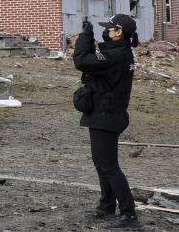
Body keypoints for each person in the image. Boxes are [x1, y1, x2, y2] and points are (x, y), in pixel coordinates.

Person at [73, 13, 141, 229]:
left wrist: (85, 36)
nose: (106, 31)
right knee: (101, 164)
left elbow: (81, 61)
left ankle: (129, 214)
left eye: (109, 29)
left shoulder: (116, 56)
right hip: (107, 114)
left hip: (107, 116)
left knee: (109, 166)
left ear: (119, 32)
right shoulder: (120, 53)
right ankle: (106, 207)